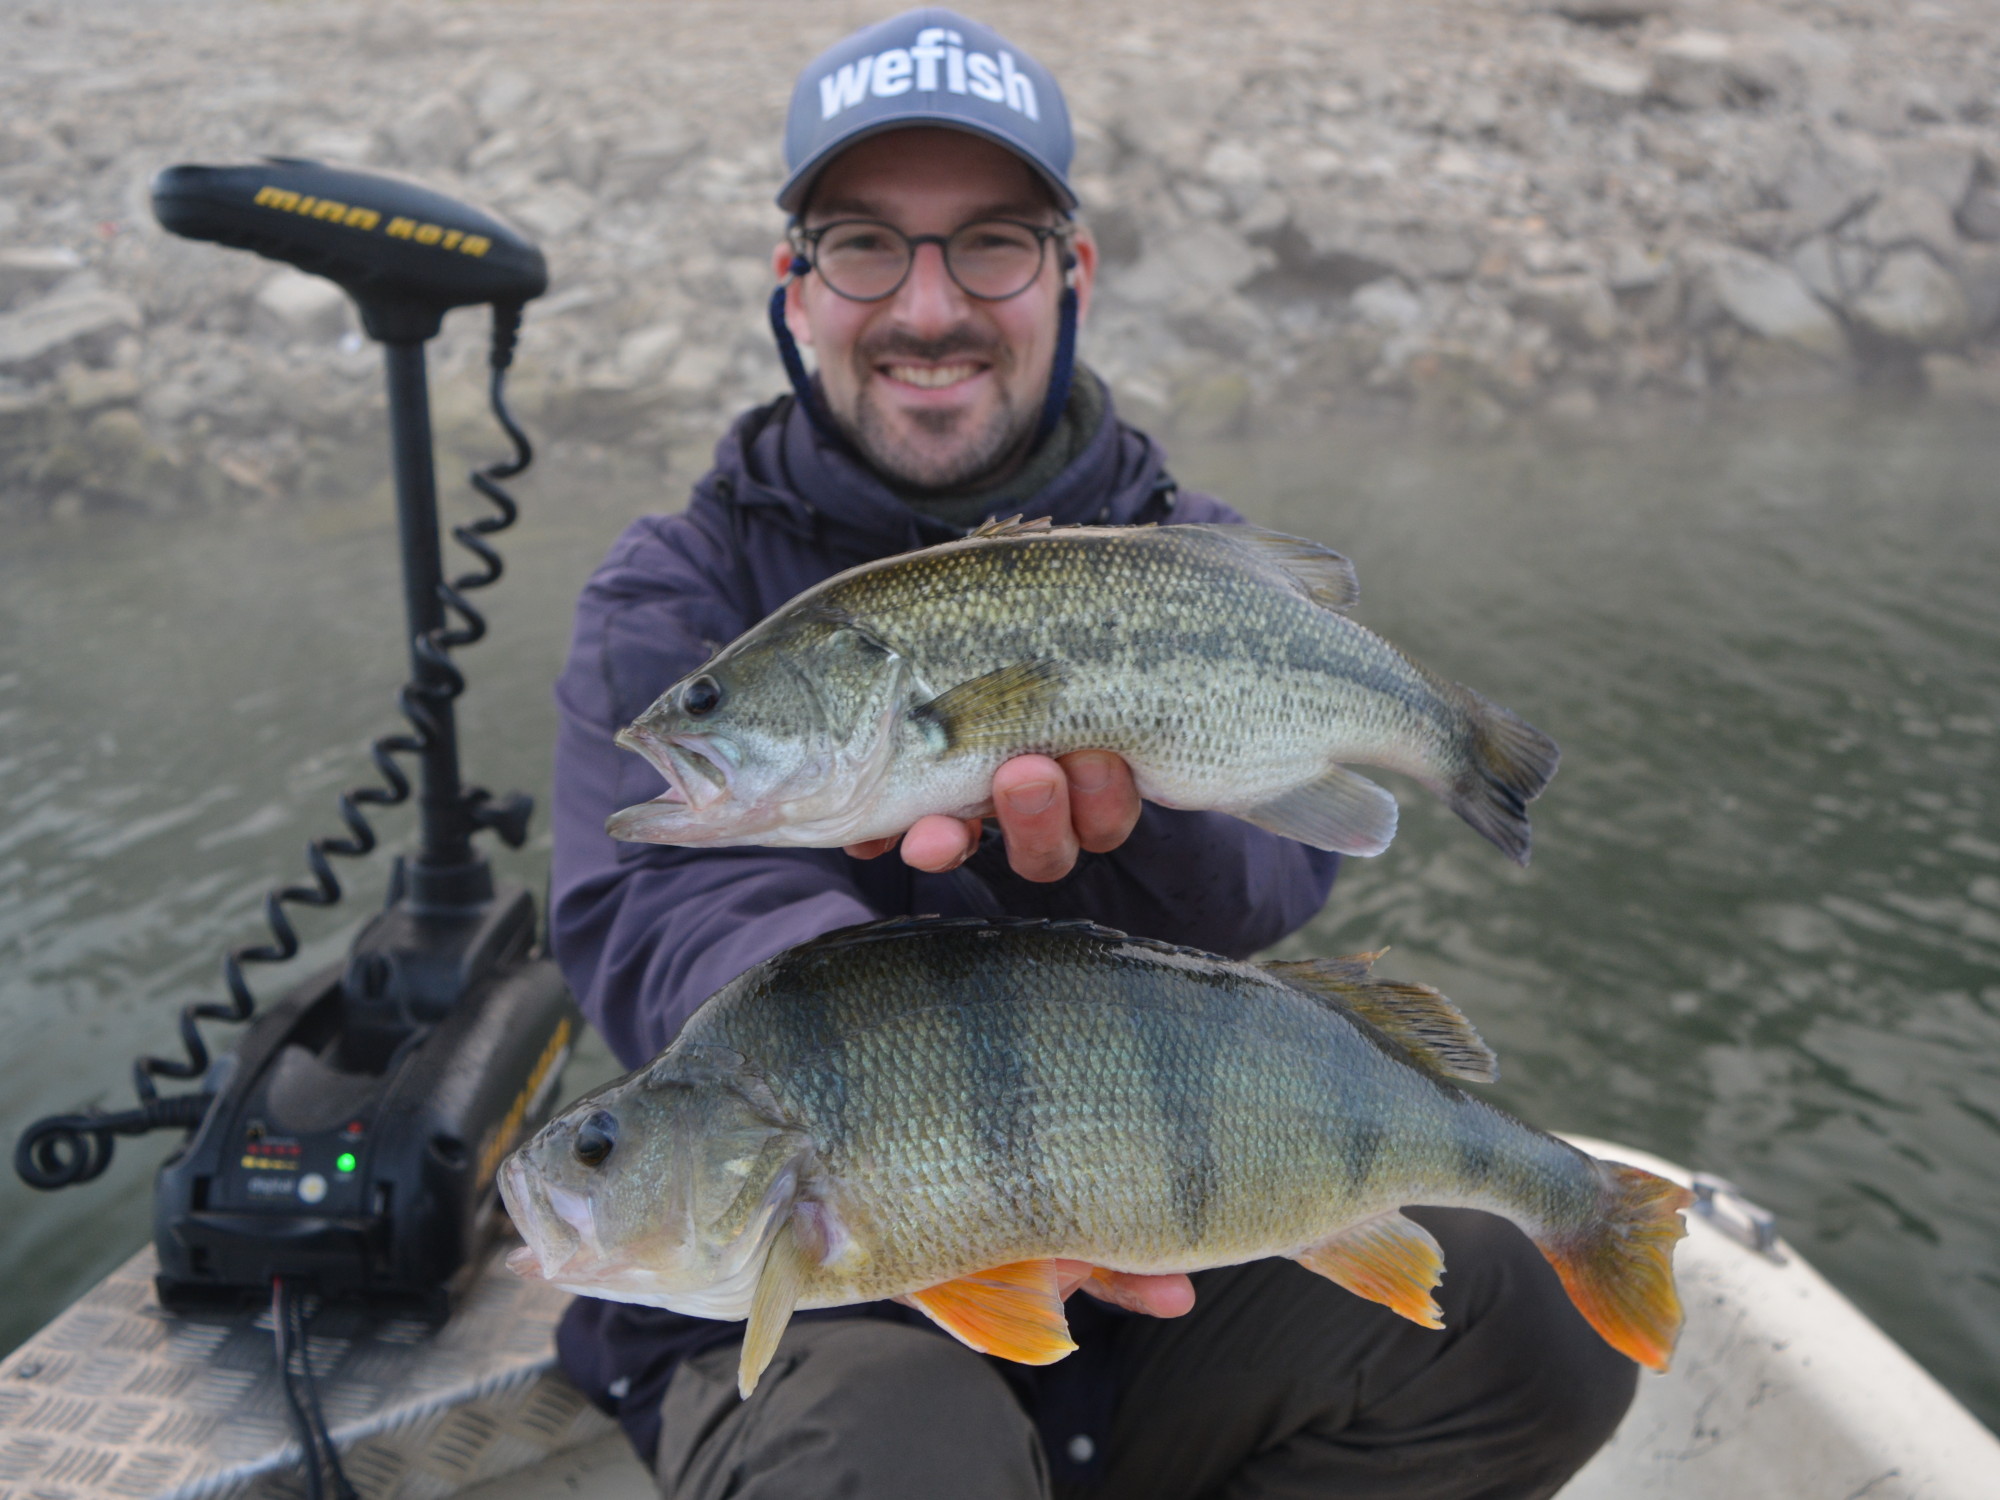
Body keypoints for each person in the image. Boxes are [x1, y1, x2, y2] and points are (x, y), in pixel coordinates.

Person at [548, 10, 1636, 1497]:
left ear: (1073, 270)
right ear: (792, 285)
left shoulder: (1184, 557)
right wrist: (878, 1093)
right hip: (802, 1255)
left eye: (991, 243)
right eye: (866, 244)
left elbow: (1277, 885)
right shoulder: (675, 595)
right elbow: (659, 915)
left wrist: (1145, 830)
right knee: (897, 1452)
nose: (928, 305)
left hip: (1160, 1203)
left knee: (1525, 1341)